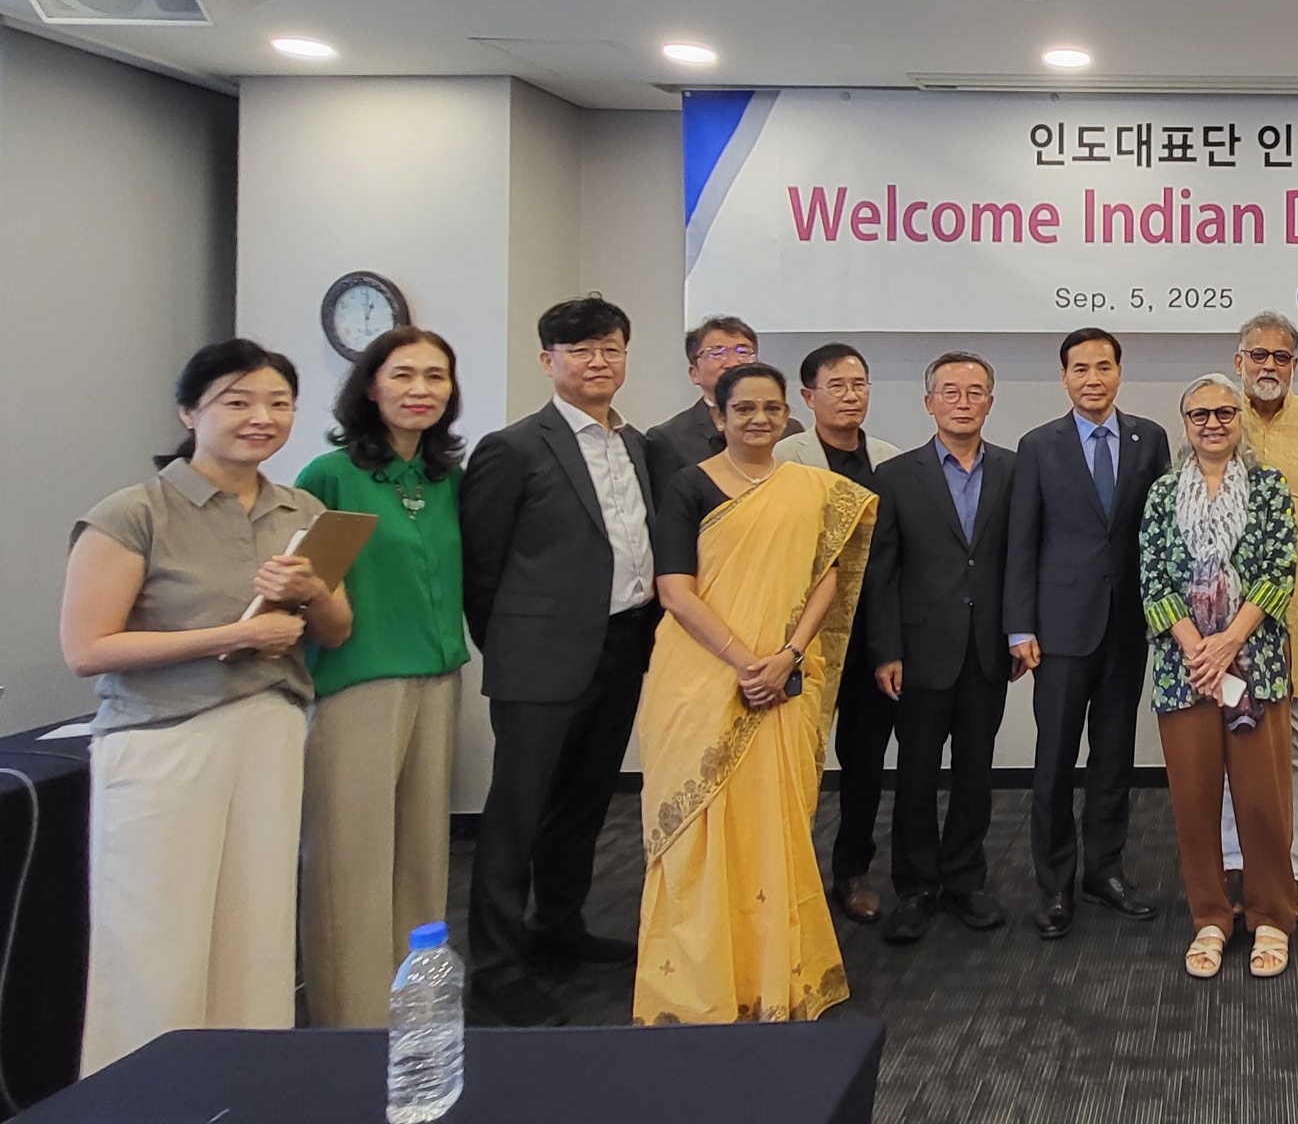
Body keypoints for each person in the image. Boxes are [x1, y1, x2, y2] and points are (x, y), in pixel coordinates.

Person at [60, 340, 351, 1072]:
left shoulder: (303, 510)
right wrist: (237, 634)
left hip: (271, 728)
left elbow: (337, 630)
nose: (262, 417)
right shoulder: (134, 511)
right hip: (164, 737)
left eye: (279, 403)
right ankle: (143, 1089)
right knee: (155, 931)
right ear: (190, 412)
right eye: (237, 401)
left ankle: (248, 1082)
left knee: (256, 926)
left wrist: (311, 592)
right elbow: (88, 647)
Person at [632, 363, 875, 1024]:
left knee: (774, 827)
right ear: (719, 415)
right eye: (744, 409)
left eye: (771, 408)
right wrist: (747, 663)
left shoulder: (810, 488)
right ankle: (702, 982)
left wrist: (787, 655)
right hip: (703, 680)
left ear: (787, 413)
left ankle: (776, 976)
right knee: (700, 832)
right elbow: (674, 590)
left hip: (783, 675)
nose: (760, 419)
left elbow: (827, 576)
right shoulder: (689, 486)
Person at [459, 296, 658, 1027]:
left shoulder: (637, 445)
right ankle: (496, 970)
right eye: (579, 351)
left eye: (610, 348)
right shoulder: (512, 448)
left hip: (623, 645)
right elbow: (481, 569)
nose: (597, 362)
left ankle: (559, 928)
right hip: (539, 660)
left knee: (584, 803)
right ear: (548, 361)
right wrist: (516, 647)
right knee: (517, 815)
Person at [296, 327, 471, 1028]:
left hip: (439, 674)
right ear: (370, 386)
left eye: (435, 376)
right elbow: (304, 591)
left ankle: (416, 1009)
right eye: (403, 375)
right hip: (358, 681)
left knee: (423, 855)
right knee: (352, 860)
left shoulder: (444, 478)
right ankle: (353, 1020)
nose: (420, 390)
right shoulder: (329, 476)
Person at [1005, 328, 1171, 938]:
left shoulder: (1149, 438)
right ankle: (1054, 885)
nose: (1093, 378)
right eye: (1080, 368)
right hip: (1059, 630)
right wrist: (1018, 626)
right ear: (1064, 377)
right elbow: (1022, 541)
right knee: (1053, 761)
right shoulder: (1038, 445)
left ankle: (1105, 871)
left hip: (1128, 624)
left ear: (1119, 373)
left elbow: (1161, 532)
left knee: (1114, 757)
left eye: (1103, 367)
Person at [1140, 373, 1298, 978]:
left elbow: (1280, 571)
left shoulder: (1268, 487)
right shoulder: (1162, 493)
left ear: (1240, 419)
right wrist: (1199, 649)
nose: (1212, 424)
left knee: (1263, 801)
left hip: (1255, 666)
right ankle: (1210, 916)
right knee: (1194, 800)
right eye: (1199, 414)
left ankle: (1271, 917)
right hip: (1185, 670)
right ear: (1185, 424)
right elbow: (1153, 579)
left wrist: (1229, 641)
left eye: (1224, 413)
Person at [865, 352, 1019, 945]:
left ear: (990, 402)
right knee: (916, 773)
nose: (963, 402)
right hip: (919, 650)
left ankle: (964, 881)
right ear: (929, 402)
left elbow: (1019, 560)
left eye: (975, 392)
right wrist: (886, 650)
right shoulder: (896, 476)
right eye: (950, 392)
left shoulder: (1013, 470)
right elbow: (882, 572)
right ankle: (915, 887)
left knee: (976, 772)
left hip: (987, 649)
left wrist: (1018, 632)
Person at [775, 344, 902, 924]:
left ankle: (852, 871)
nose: (851, 396)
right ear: (808, 396)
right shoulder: (784, 458)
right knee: (793, 760)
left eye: (860, 384)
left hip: (871, 638)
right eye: (837, 386)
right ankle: (784, 876)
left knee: (864, 759)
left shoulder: (890, 462)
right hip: (799, 638)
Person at [1230, 310, 1298, 917]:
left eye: (1281, 357)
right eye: (1259, 355)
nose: (1268, 366)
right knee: (1234, 745)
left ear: (1295, 365)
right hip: (1228, 622)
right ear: (1239, 361)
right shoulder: (1217, 416)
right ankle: (1236, 865)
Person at [645, 315, 802, 483]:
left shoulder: (789, 430)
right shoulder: (668, 439)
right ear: (694, 373)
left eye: (743, 352)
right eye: (716, 353)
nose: (732, 363)